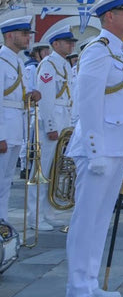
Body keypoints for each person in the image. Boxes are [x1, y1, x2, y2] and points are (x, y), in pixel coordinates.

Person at [65, 0, 123, 297]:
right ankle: (77, 286)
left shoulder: (116, 51)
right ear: (110, 16)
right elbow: (88, 101)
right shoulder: (97, 50)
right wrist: (94, 150)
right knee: (86, 220)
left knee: (100, 220)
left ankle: (90, 284)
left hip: (115, 147)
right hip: (99, 149)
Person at [30, 28, 78, 229]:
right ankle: (34, 216)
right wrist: (49, 125)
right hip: (51, 121)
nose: (71, 45)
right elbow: (46, 98)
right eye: (66, 42)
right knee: (42, 169)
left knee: (55, 169)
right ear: (55, 44)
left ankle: (46, 210)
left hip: (63, 119)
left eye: (71, 42)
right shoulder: (48, 65)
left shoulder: (64, 65)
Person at [0, 16, 39, 227]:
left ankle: (2, 222)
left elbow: (17, 96)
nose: (27, 38)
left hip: (16, 128)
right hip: (5, 129)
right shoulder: (1, 61)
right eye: (23, 34)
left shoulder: (17, 61)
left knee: (6, 181)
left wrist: (31, 95)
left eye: (28, 34)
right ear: (9, 36)